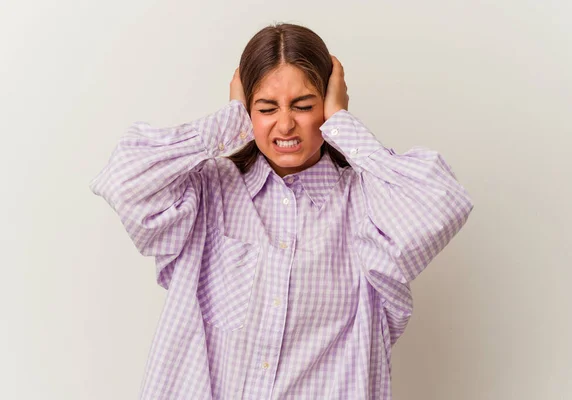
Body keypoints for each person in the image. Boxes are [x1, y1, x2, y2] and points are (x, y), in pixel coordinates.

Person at [90, 23, 474, 400]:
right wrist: (229, 121)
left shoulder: (366, 205)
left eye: (304, 105)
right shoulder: (208, 192)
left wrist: (343, 124)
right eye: (266, 107)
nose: (286, 124)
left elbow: (445, 202)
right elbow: (122, 180)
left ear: (327, 102)